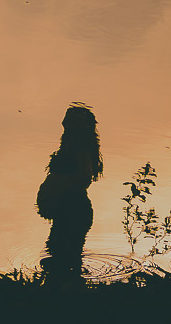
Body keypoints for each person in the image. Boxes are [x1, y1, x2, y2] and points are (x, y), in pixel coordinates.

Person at [36, 103, 103, 283]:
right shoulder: (70, 145)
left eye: (69, 120)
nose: (64, 123)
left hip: (74, 209)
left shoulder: (82, 148)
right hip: (68, 209)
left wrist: (57, 190)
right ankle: (67, 291)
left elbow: (84, 177)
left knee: (64, 256)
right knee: (60, 253)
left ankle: (67, 296)